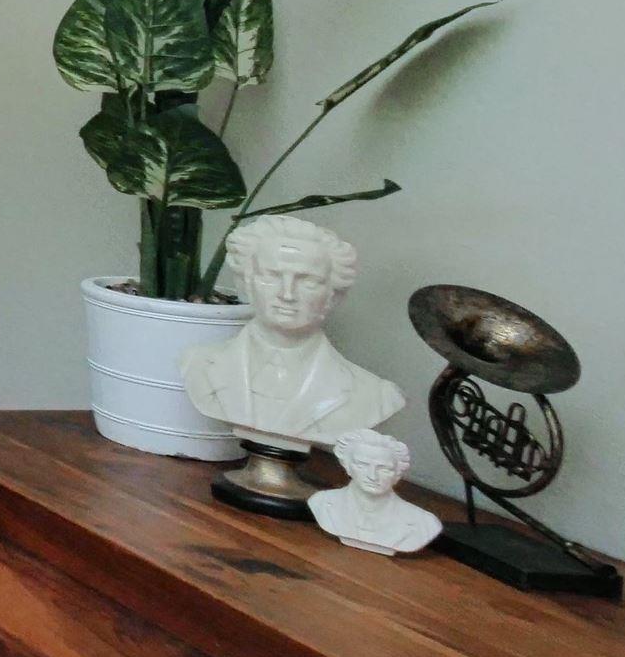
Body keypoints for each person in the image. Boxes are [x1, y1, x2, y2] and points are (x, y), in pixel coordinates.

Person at [180, 214, 404, 448]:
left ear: (333, 294)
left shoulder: (375, 396)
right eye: (271, 276)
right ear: (246, 282)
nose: (287, 294)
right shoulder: (197, 362)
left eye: (308, 281)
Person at [308, 427, 443, 556]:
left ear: (397, 473)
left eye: (384, 469)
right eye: (362, 465)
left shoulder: (423, 523)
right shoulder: (322, 502)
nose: (372, 476)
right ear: (347, 467)